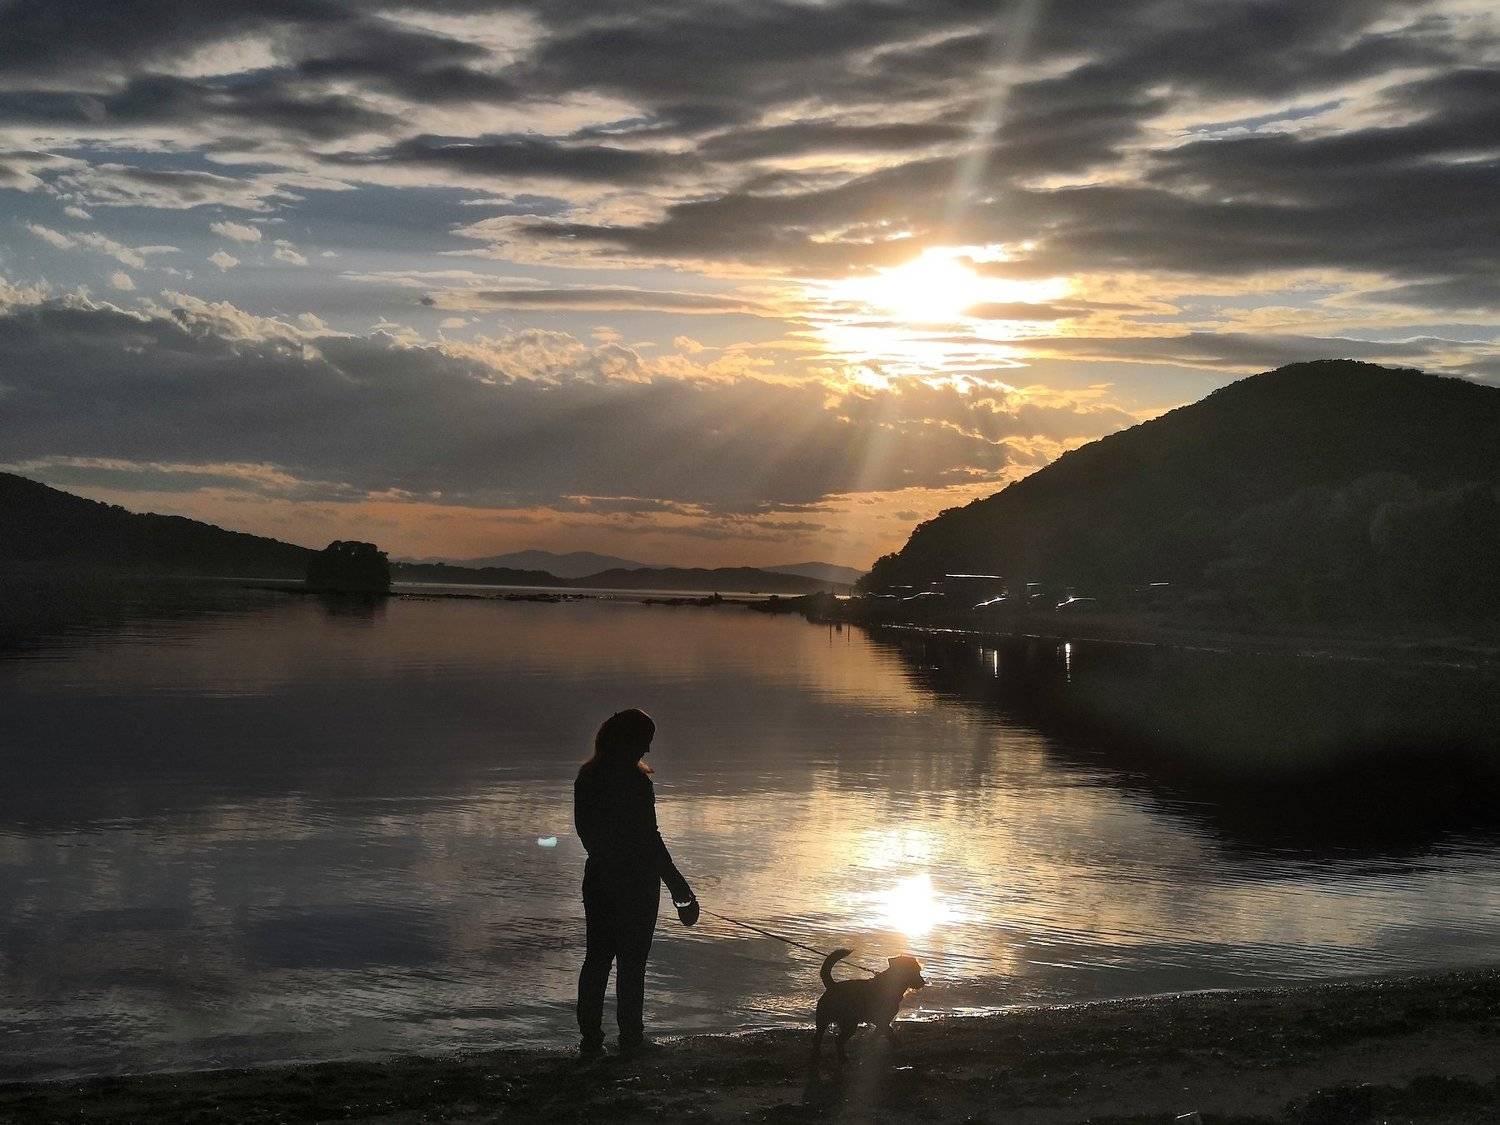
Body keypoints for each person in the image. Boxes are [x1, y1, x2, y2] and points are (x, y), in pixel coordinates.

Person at [574, 708, 699, 1056]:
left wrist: (611, 860)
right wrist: (679, 888)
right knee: (631, 963)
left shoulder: (587, 778)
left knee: (597, 959)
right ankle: (630, 1037)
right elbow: (650, 840)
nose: (648, 749)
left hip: (599, 878)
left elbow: (587, 834)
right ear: (626, 741)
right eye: (644, 740)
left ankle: (591, 1039)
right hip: (637, 883)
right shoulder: (635, 783)